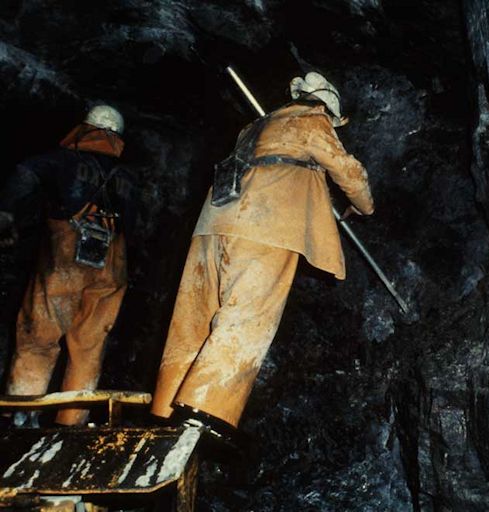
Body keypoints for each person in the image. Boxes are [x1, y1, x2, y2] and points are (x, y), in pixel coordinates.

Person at [151, 71, 374, 433]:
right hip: (267, 225)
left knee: (194, 315)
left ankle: (165, 404)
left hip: (214, 223)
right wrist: (364, 207)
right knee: (249, 314)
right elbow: (349, 172)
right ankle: (203, 410)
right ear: (326, 108)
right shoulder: (313, 121)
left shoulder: (255, 127)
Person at [0, 105, 134, 426]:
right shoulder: (127, 178)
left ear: (85, 129)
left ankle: (22, 414)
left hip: (67, 261)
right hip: (111, 268)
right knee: (89, 348)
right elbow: (135, 225)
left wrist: (6, 213)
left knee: (39, 336)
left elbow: (25, 172)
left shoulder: (66, 160)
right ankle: (70, 426)